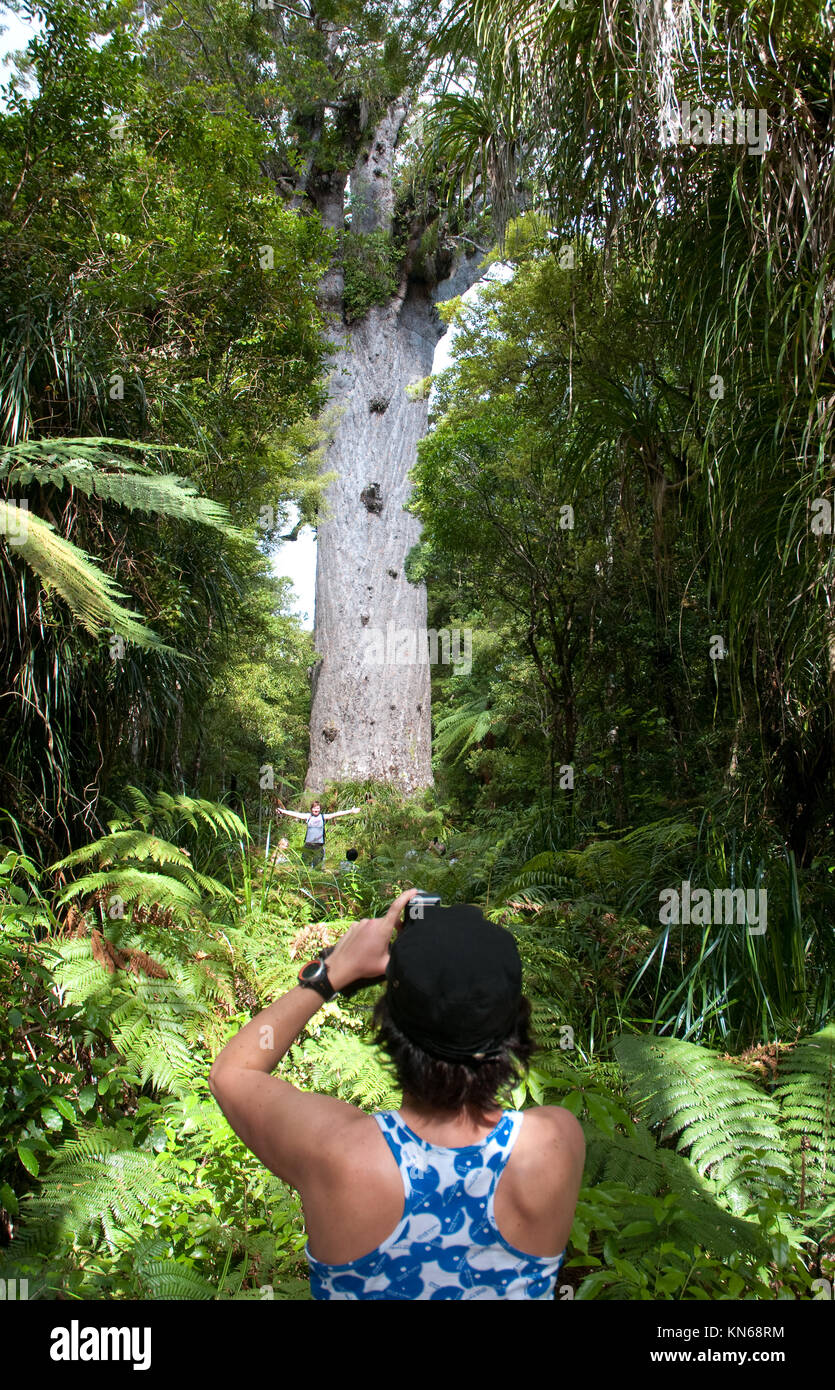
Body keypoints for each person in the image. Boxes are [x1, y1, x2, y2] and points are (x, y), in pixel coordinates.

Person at [208, 890, 586, 1300]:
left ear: (387, 1022)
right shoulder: (556, 1143)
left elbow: (232, 1073)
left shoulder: (340, 1155)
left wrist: (331, 973)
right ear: (516, 1026)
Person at [275, 799, 361, 869]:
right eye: (314, 808)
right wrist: (282, 811)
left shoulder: (323, 817)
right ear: (311, 809)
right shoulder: (308, 817)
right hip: (308, 845)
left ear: (320, 809)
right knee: (304, 864)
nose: (316, 810)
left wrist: (351, 811)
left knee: (318, 867)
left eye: (318, 808)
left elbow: (336, 814)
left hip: (319, 846)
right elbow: (295, 814)